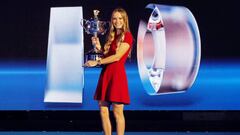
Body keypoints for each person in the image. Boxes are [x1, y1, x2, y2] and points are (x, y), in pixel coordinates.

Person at [84, 8, 133, 135]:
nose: (117, 21)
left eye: (120, 18)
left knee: (117, 112)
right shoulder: (112, 36)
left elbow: (117, 57)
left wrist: (97, 62)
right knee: (103, 111)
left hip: (117, 76)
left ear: (124, 20)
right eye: (114, 18)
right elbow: (107, 56)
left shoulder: (127, 36)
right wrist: (99, 47)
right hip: (106, 74)